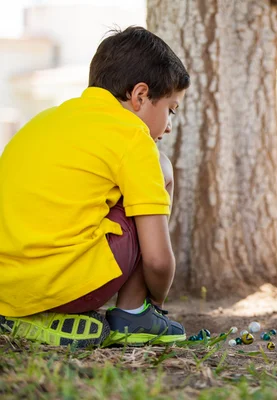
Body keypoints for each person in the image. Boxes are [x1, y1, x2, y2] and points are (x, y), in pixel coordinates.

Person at [0, 26, 189, 348]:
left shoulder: (47, 119)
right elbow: (158, 260)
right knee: (163, 169)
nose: (169, 126)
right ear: (140, 96)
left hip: (8, 282)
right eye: (170, 109)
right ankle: (134, 313)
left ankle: (23, 313)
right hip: (61, 285)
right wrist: (157, 299)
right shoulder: (132, 137)